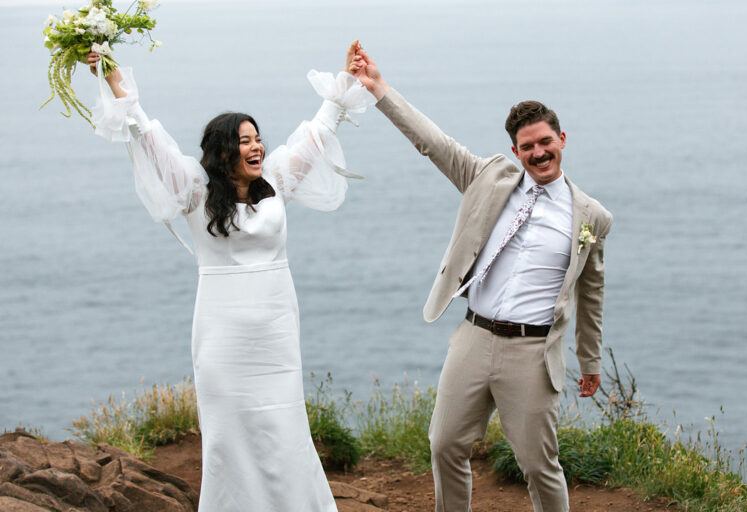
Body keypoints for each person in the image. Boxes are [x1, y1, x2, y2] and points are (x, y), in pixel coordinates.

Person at [86, 41, 375, 511]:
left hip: (276, 334)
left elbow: (320, 131)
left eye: (256, 137)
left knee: (284, 429)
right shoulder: (195, 190)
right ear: (223, 153)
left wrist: (344, 82)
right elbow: (144, 136)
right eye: (244, 140)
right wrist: (111, 75)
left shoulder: (277, 179)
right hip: (222, 337)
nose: (256, 145)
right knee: (229, 437)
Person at [349, 47, 612, 511]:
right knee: (444, 444)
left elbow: (591, 293)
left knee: (538, 465)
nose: (538, 152)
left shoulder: (590, 216)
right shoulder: (489, 176)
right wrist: (378, 89)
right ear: (515, 151)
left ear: (562, 139)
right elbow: (433, 142)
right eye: (527, 146)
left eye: (545, 141)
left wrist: (589, 361)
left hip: (532, 353)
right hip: (474, 335)